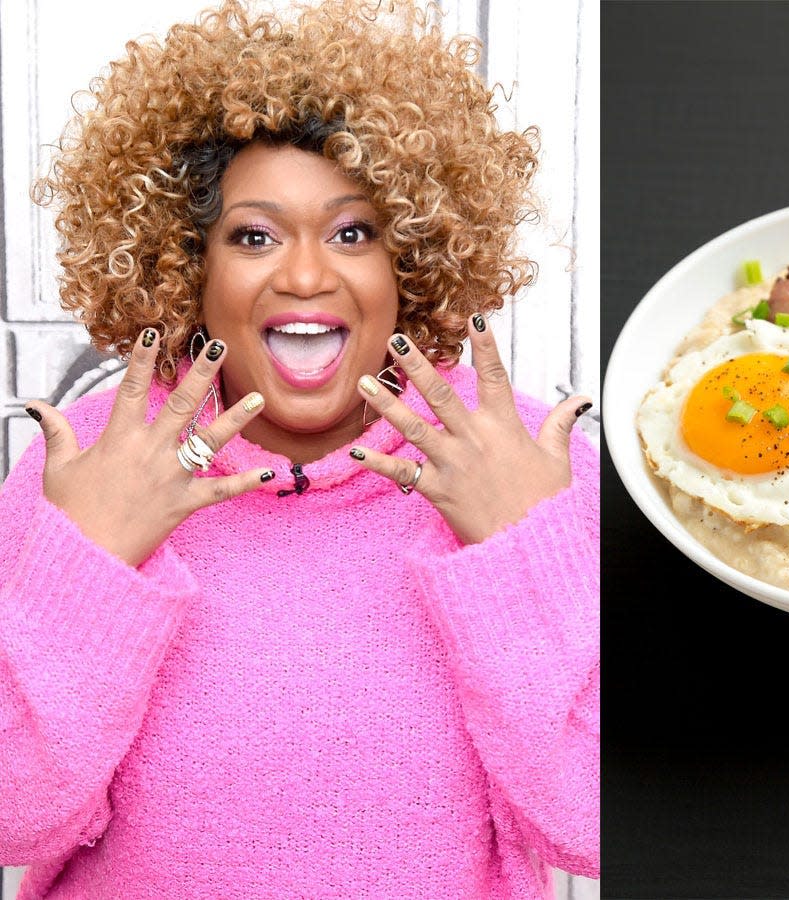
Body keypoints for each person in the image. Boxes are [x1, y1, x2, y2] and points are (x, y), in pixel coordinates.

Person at [0, 1, 598, 897]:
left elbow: (586, 829)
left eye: (354, 233)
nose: (308, 275)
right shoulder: (86, 466)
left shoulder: (516, 459)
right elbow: (17, 818)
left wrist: (520, 554)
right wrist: (91, 563)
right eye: (253, 235)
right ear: (187, 265)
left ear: (414, 262)